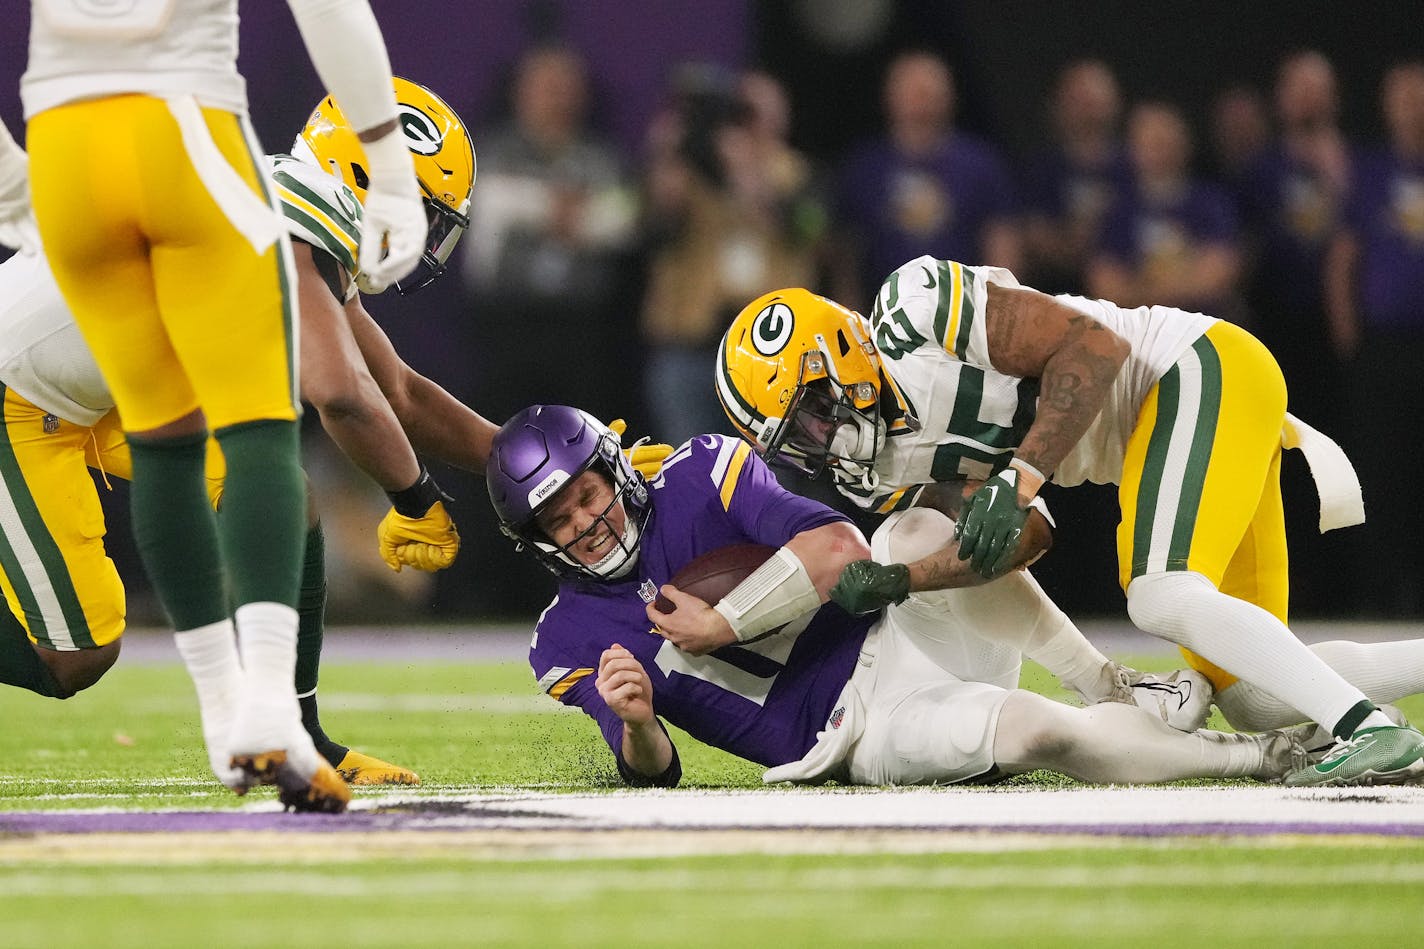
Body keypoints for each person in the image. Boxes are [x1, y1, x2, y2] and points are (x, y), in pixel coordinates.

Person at [715, 274, 1424, 787]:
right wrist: (909, 577)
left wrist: (1018, 477)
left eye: (811, 414)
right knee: (1254, 698)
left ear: (834, 353)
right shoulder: (871, 466)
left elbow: (1096, 347)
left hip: (1194, 369)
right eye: (798, 441)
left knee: (1160, 594)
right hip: (1175, 419)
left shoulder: (914, 310)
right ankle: (1375, 707)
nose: (822, 441)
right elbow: (1021, 540)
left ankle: (1372, 728)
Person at [1, 0, 433, 812]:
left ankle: (239, 716)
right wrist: (393, 163)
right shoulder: (304, 193)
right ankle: (261, 708)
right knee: (260, 430)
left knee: (174, 442)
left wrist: (10, 175)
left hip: (64, 146)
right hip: (182, 125)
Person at [486, 405, 1309, 790]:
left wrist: (724, 620)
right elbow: (653, 776)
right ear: (537, 541)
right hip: (851, 733)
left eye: (587, 495)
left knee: (914, 532)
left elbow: (840, 548)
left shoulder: (702, 469)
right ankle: (1254, 758)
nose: (585, 523)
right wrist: (634, 725)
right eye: (558, 520)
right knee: (1032, 730)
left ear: (613, 469)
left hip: (892, 627)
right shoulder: (563, 639)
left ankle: (1112, 683)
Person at [1325, 61, 1424, 618]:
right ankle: (1387, 592)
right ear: (1387, 107)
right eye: (1402, 96)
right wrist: (1351, 343)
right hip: (1384, 348)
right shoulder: (1371, 172)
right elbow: (1344, 258)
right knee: (1384, 471)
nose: (1412, 107)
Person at [835, 51, 1020, 310]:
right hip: (883, 317)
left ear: (950, 97)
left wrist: (999, 310)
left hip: (963, 316)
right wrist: (848, 314)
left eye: (931, 93)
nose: (922, 103)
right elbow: (847, 254)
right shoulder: (865, 167)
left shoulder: (979, 164)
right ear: (890, 97)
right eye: (914, 92)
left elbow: (1001, 242)